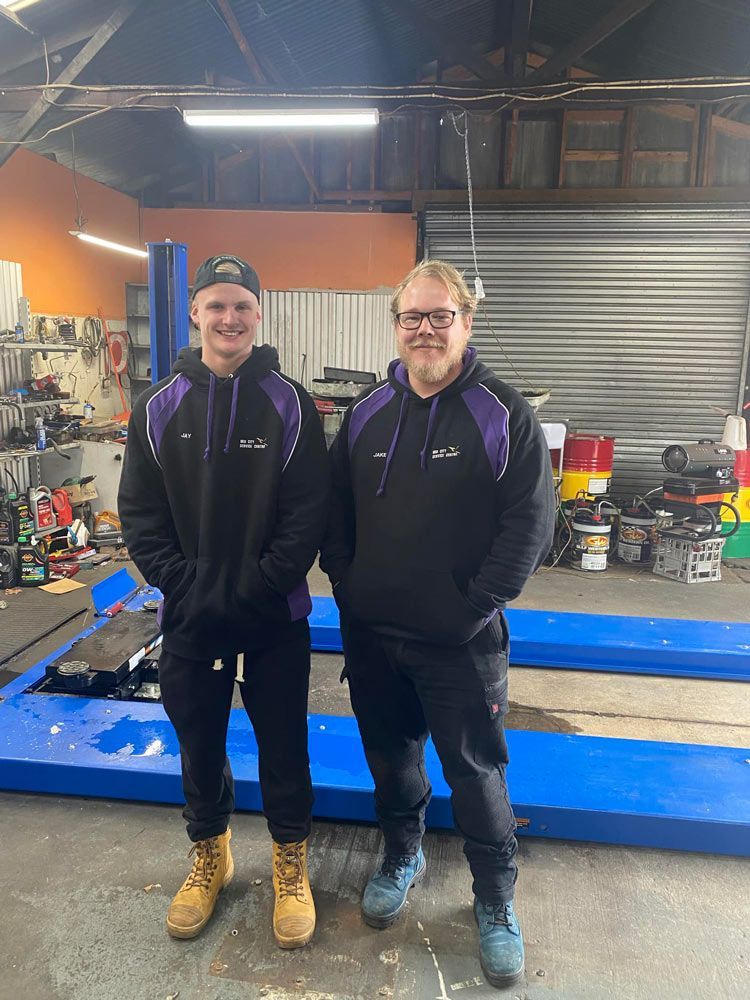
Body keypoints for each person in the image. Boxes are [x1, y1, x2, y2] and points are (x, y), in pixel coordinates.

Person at [321, 259, 555, 988]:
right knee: (390, 758)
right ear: (396, 326)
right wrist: (350, 587)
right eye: (411, 318)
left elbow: (531, 524)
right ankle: (403, 851)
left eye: (439, 316)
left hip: (460, 640)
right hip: (374, 635)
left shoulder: (502, 413)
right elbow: (335, 514)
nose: (424, 331)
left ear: (466, 321)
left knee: (476, 773)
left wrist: (473, 606)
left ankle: (495, 899)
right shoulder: (365, 414)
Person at [118, 254, 328, 950]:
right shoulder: (156, 406)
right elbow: (140, 517)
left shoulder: (291, 403)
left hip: (274, 617)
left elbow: (306, 517)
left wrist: (255, 585)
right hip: (189, 615)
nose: (229, 318)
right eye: (216, 305)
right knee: (199, 745)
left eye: (241, 305)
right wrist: (187, 585)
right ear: (195, 314)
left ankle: (290, 863)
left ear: (258, 314)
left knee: (284, 748)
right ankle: (210, 853)